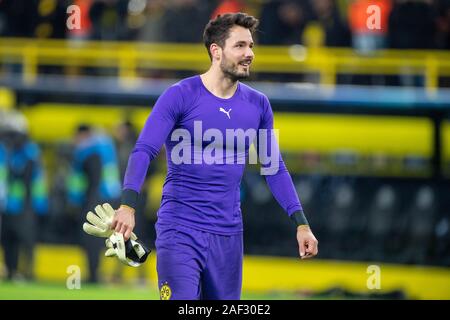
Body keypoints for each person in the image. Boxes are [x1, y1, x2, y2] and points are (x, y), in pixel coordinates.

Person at [111, 12, 318, 300]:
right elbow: (144, 150)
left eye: (251, 46)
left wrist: (301, 224)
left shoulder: (259, 105)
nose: (249, 54)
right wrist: (127, 207)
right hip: (180, 230)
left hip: (228, 237)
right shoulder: (180, 95)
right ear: (216, 51)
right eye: (240, 46)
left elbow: (274, 168)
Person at [67, 124, 121, 283]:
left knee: (91, 238)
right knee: (113, 238)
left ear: (83, 135)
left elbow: (83, 180)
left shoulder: (86, 151)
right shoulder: (107, 146)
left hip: (94, 199)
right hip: (113, 197)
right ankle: (112, 275)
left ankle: (93, 275)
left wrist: (75, 201)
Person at [0, 111, 48, 281]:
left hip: (26, 203)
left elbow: (35, 180)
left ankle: (28, 272)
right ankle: (11, 271)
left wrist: (40, 203)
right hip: (8, 203)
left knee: (26, 239)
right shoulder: (6, 152)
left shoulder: (30, 153)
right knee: (8, 239)